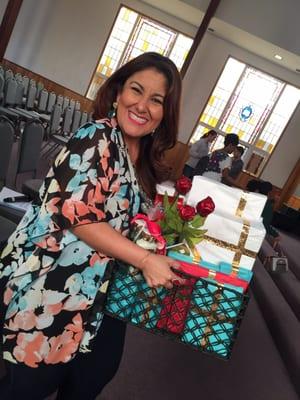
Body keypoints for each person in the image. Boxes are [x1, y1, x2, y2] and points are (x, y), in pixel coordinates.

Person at [0, 52, 182, 400]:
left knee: (91, 379)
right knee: (27, 388)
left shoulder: (142, 158)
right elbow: (77, 214)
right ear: (117, 93)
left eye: (156, 100)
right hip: (54, 289)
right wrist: (144, 260)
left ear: (164, 114)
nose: (142, 105)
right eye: (136, 90)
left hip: (102, 297)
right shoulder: (96, 136)